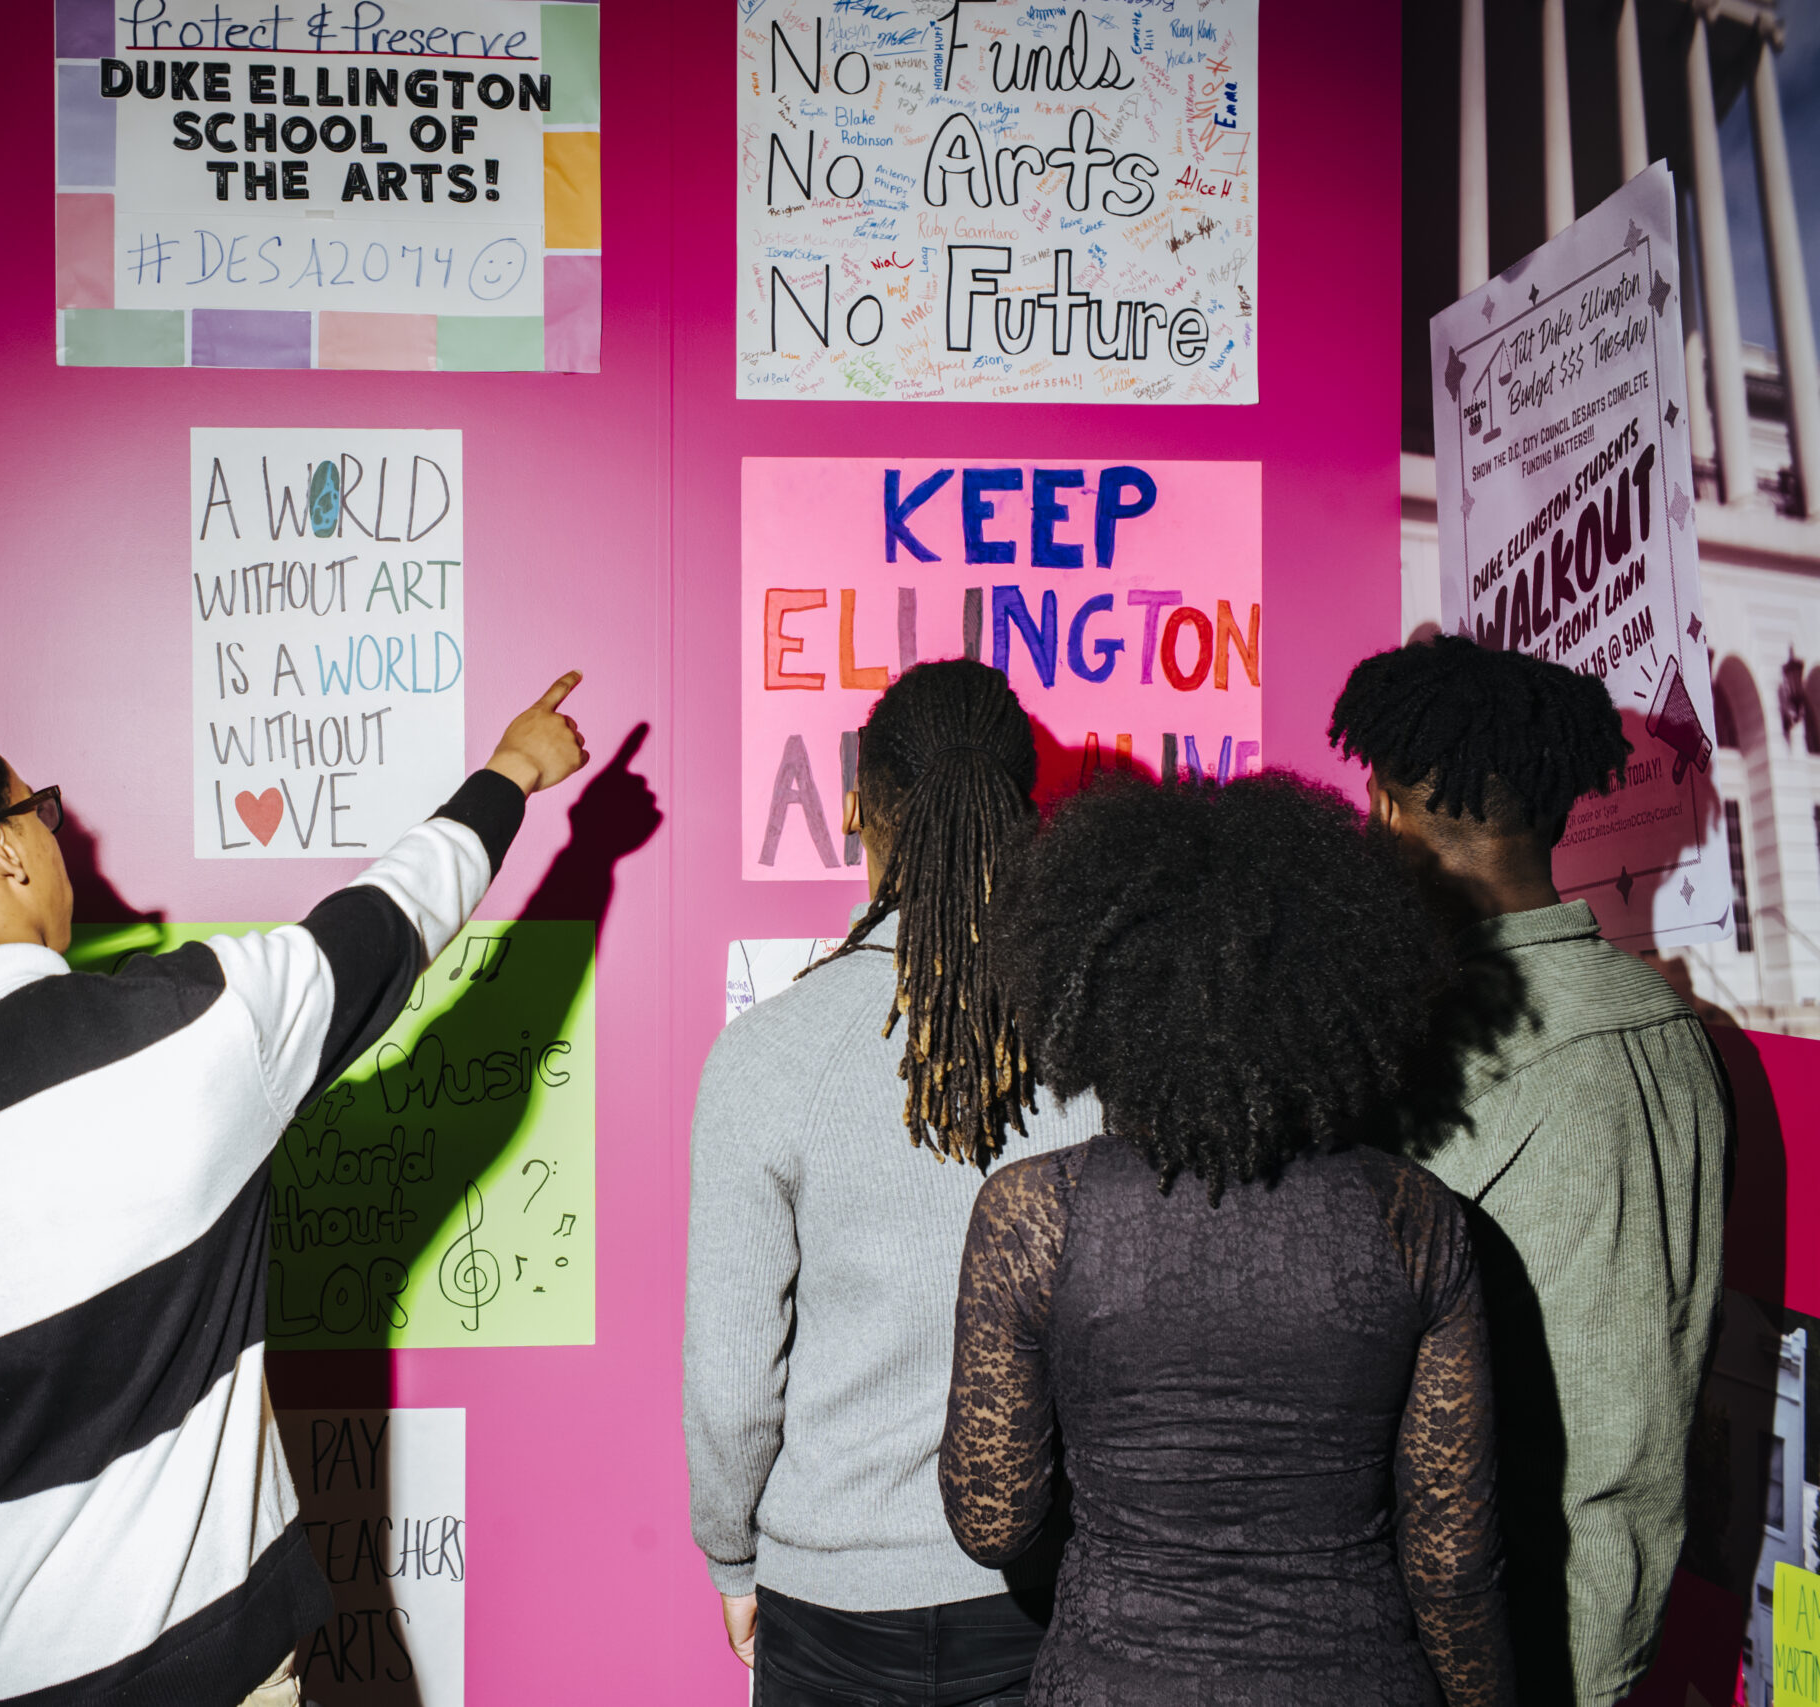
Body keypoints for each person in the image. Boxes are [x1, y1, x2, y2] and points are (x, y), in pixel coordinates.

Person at [0, 665, 590, 1707]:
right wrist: (512, 770)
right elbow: (388, 920)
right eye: (39, 813)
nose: (55, 841)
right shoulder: (193, 1030)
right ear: (4, 851)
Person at [946, 772, 1512, 1707]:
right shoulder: (1415, 1215)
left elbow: (993, 1519)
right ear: (1339, 988)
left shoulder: (1032, 1213)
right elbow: (1452, 1564)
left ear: (1096, 992)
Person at [686, 660, 1102, 1707]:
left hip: (829, 1604)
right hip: (1039, 1586)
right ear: (1023, 816)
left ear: (854, 808)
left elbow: (732, 1388)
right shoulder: (1093, 1050)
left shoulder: (768, 1054)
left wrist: (731, 1560)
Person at [1330, 636, 1732, 1706]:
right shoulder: (1445, 1021)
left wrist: (1584, 1687)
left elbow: (1618, 1438)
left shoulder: (1597, 1051)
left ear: (1384, 811)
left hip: (1517, 1654)